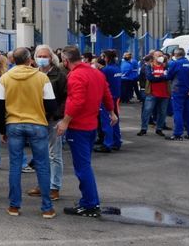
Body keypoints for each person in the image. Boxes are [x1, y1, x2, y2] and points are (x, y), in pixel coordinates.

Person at [0, 48, 58, 218]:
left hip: (14, 124)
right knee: (43, 165)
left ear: (13, 60)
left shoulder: (5, 78)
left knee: (15, 166)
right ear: (30, 59)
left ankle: (14, 206)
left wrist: (2, 130)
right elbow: (52, 106)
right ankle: (47, 207)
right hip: (37, 124)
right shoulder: (42, 78)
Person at [57, 46, 116, 218]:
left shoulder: (76, 75)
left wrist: (65, 122)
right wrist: (111, 111)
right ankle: (89, 201)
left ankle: (90, 204)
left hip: (79, 127)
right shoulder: (96, 72)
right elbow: (106, 93)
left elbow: (77, 101)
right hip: (91, 125)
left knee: (82, 167)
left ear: (65, 60)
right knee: (85, 165)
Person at [28, 45, 67, 202]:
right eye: (39, 55)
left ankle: (54, 187)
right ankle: (43, 184)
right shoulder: (32, 74)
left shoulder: (60, 75)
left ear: (51, 58)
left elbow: (65, 98)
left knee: (54, 154)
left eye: (45, 56)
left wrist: (58, 115)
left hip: (52, 120)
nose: (42, 58)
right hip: (36, 119)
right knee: (39, 154)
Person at [94, 50, 123, 152]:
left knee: (107, 122)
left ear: (106, 57)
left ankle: (107, 144)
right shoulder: (117, 68)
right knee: (115, 120)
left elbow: (99, 83)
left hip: (107, 99)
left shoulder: (106, 70)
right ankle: (117, 142)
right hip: (116, 98)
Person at [139, 51, 170, 137]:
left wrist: (158, 77)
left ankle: (159, 129)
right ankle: (143, 129)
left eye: (162, 55)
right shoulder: (149, 66)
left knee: (162, 113)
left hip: (165, 94)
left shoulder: (166, 66)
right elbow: (150, 78)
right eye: (158, 55)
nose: (161, 57)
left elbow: (169, 76)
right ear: (153, 57)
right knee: (147, 111)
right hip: (152, 93)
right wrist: (162, 77)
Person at [166, 48, 189, 140]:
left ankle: (178, 134)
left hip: (178, 90)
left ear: (176, 55)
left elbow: (169, 76)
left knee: (178, 112)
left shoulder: (175, 63)